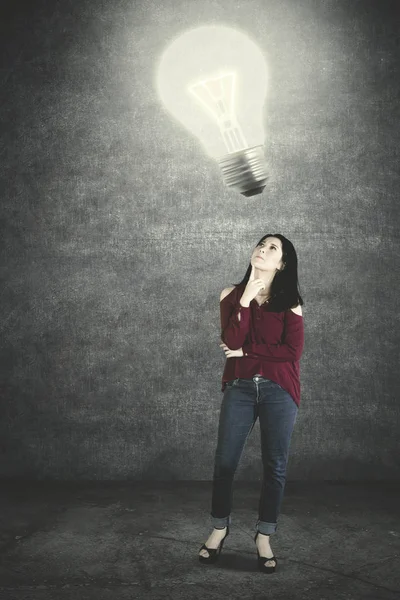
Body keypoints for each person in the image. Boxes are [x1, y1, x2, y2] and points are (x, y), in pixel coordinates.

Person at [198, 234, 305, 573]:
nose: (263, 249)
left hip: (279, 390)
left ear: (282, 263)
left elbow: (292, 352)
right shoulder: (230, 295)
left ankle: (264, 536)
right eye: (261, 244)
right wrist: (244, 300)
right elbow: (230, 339)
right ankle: (219, 529)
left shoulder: (290, 302)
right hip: (240, 388)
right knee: (224, 462)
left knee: (275, 466)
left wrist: (248, 352)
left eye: (273, 248)